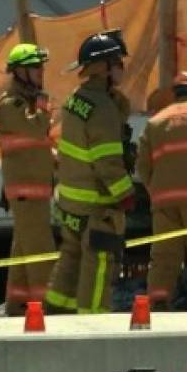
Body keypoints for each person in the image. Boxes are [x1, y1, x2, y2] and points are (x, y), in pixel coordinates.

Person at [45, 30, 135, 314]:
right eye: (117, 62)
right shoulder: (102, 107)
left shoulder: (77, 99)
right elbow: (106, 161)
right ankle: (93, 322)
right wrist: (127, 194)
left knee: (71, 256)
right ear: (104, 68)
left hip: (70, 202)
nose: (122, 67)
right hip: (98, 204)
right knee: (100, 263)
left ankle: (58, 313)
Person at [136, 71, 187, 310]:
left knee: (164, 258)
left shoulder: (156, 121)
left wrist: (156, 192)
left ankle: (157, 303)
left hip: (164, 203)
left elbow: (143, 166)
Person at [0, 43, 56, 316]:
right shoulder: (12, 105)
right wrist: (43, 105)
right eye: (35, 67)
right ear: (19, 71)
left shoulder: (26, 105)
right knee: (40, 251)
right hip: (26, 192)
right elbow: (35, 128)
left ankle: (17, 306)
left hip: (33, 191)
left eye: (41, 67)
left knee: (24, 251)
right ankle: (47, 307)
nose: (41, 72)